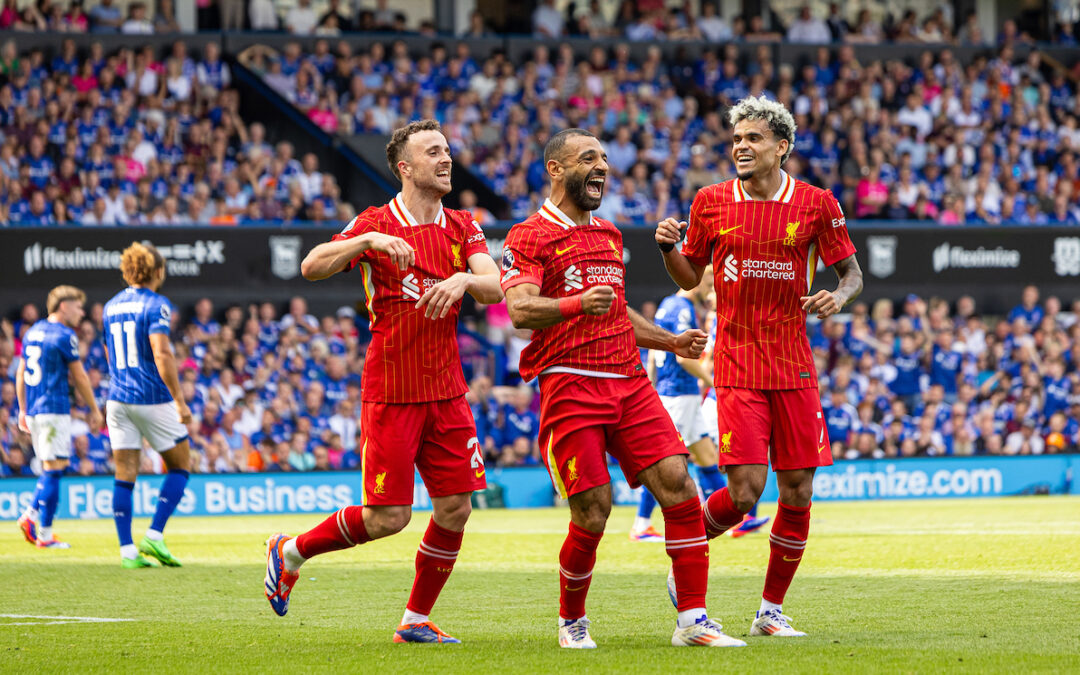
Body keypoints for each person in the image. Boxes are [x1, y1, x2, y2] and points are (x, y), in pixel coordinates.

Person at [501, 128, 744, 649]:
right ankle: (572, 620)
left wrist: (670, 340)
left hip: (629, 382)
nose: (602, 167)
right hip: (570, 384)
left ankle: (693, 621)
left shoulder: (609, 235)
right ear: (556, 169)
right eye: (588, 158)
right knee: (593, 509)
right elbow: (519, 308)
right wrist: (572, 304)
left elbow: (615, 313)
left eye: (605, 159)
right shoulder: (528, 235)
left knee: (680, 486)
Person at [263, 120, 503, 644]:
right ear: (405, 167)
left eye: (447, 149)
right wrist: (367, 240)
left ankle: (415, 620)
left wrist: (464, 277)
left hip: (447, 391)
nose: (446, 159)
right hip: (393, 390)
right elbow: (310, 266)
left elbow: (495, 286)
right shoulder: (375, 221)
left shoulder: (463, 224)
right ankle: (290, 552)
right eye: (433, 152)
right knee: (388, 518)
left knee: (456, 507)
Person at [655, 96, 863, 637]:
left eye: (752, 139)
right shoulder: (710, 201)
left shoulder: (817, 204)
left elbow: (853, 275)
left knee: (798, 490)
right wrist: (667, 251)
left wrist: (838, 297)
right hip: (738, 361)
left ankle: (770, 611)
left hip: (794, 365)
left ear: (782, 147)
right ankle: (690, 545)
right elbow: (686, 276)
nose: (740, 148)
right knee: (746, 491)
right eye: (736, 139)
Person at [104, 243, 194, 569]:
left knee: (124, 473)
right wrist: (180, 402)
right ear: (158, 271)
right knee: (182, 464)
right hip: (151, 396)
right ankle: (154, 534)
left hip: (117, 397)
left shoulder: (110, 306)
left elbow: (108, 351)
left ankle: (127, 551)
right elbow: (162, 353)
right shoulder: (157, 304)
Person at [631, 272, 727, 543]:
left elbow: (653, 349)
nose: (709, 291)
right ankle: (641, 524)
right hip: (678, 393)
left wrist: (650, 383)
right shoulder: (682, 308)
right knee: (663, 462)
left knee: (707, 455)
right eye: (707, 284)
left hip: (677, 393)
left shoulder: (667, 305)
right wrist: (715, 383)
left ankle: (726, 518)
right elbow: (684, 359)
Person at [15, 285, 103, 549]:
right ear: (63, 306)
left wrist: (22, 409)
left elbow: (20, 374)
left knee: (50, 468)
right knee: (54, 470)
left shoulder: (33, 332)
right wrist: (95, 410)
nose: (82, 312)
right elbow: (80, 376)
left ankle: (36, 523)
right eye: (77, 306)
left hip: (34, 409)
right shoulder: (65, 335)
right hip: (53, 410)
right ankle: (40, 529)